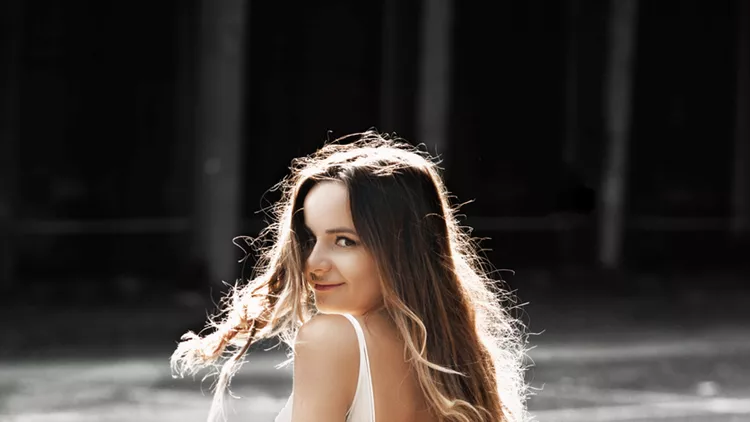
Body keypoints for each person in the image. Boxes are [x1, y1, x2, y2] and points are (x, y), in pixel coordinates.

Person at [171, 131, 530, 422]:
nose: (314, 263)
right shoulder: (454, 353)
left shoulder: (332, 337)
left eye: (345, 241)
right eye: (310, 239)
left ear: (401, 249)